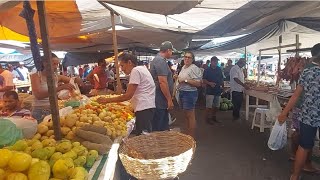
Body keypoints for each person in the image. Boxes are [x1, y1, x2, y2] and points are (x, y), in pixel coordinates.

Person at [278, 44, 320, 180]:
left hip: (308, 115)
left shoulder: (307, 72)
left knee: (304, 146)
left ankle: (294, 176)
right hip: (312, 114)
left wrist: (284, 112)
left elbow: (296, 95)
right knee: (304, 145)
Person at [97, 53, 155, 135]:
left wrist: (107, 100)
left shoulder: (136, 70)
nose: (122, 69)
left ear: (129, 63)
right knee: (144, 135)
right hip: (147, 106)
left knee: (144, 137)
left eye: (122, 66)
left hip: (143, 107)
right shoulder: (142, 69)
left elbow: (128, 96)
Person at [31, 53, 84, 122]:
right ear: (45, 63)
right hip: (40, 111)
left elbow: (72, 80)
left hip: (53, 110)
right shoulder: (36, 76)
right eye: (53, 64)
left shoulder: (56, 76)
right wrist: (61, 87)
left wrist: (77, 80)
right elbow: (38, 95)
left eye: (57, 64)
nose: (56, 67)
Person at [150, 41, 174, 131]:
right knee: (159, 128)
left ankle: (161, 143)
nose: (171, 53)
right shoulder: (160, 61)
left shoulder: (159, 60)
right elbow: (162, 82)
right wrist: (169, 100)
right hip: (159, 100)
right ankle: (158, 144)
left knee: (162, 127)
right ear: (168, 50)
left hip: (160, 99)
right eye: (171, 51)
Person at [176, 51, 202, 137]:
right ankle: (188, 134)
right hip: (182, 92)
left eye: (189, 57)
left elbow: (198, 84)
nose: (186, 59)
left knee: (190, 115)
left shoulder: (194, 68)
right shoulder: (184, 67)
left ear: (192, 59)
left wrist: (186, 80)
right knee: (186, 115)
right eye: (185, 57)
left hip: (190, 93)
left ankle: (191, 137)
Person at [202, 56, 224, 124]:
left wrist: (222, 86)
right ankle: (207, 119)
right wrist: (209, 83)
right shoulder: (207, 70)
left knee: (217, 106)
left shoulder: (219, 69)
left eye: (217, 61)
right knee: (209, 106)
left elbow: (221, 78)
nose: (216, 62)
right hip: (210, 91)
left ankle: (214, 117)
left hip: (217, 90)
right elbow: (204, 79)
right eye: (215, 61)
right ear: (211, 62)